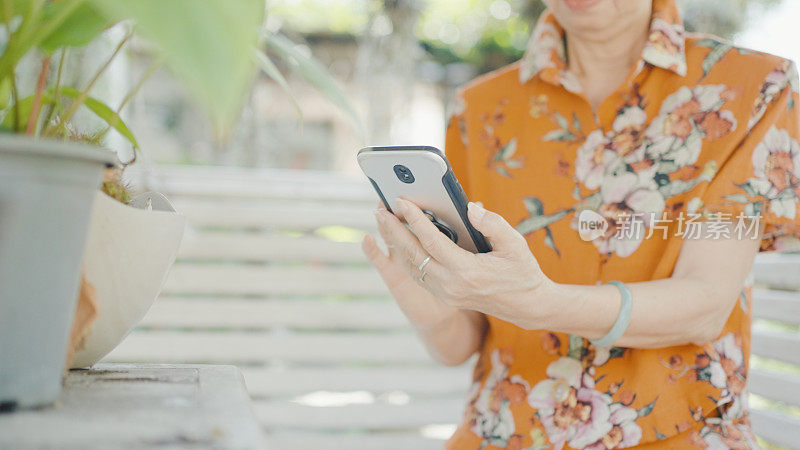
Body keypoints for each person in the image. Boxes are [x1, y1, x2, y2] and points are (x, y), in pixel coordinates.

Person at [361, 0, 800, 448]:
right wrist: (435, 312)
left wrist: (541, 303)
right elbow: (461, 345)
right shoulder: (478, 109)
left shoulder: (752, 89)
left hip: (677, 433)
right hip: (503, 433)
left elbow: (706, 304)